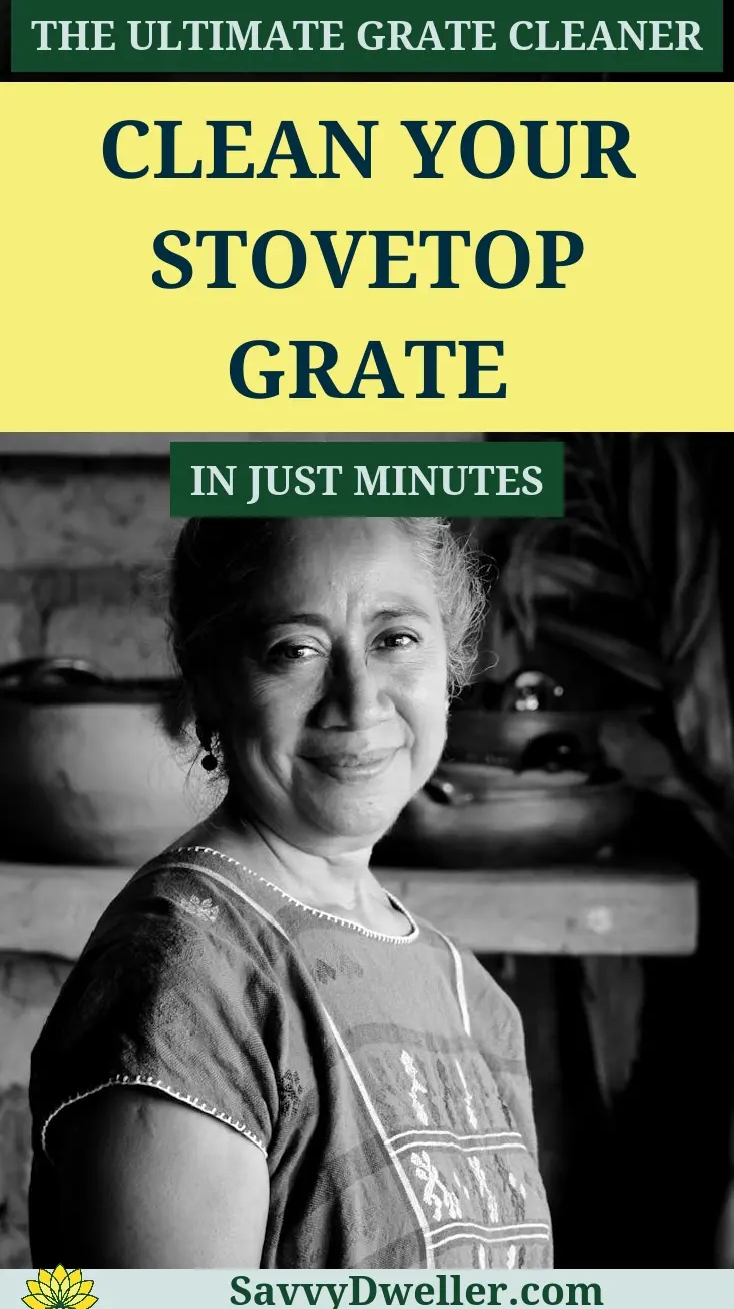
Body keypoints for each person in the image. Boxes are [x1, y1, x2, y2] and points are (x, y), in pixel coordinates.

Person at [29, 516, 552, 1270]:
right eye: (294, 651)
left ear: (451, 664)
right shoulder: (184, 975)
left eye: (395, 638)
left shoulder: (469, 995)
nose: (358, 699)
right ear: (210, 687)